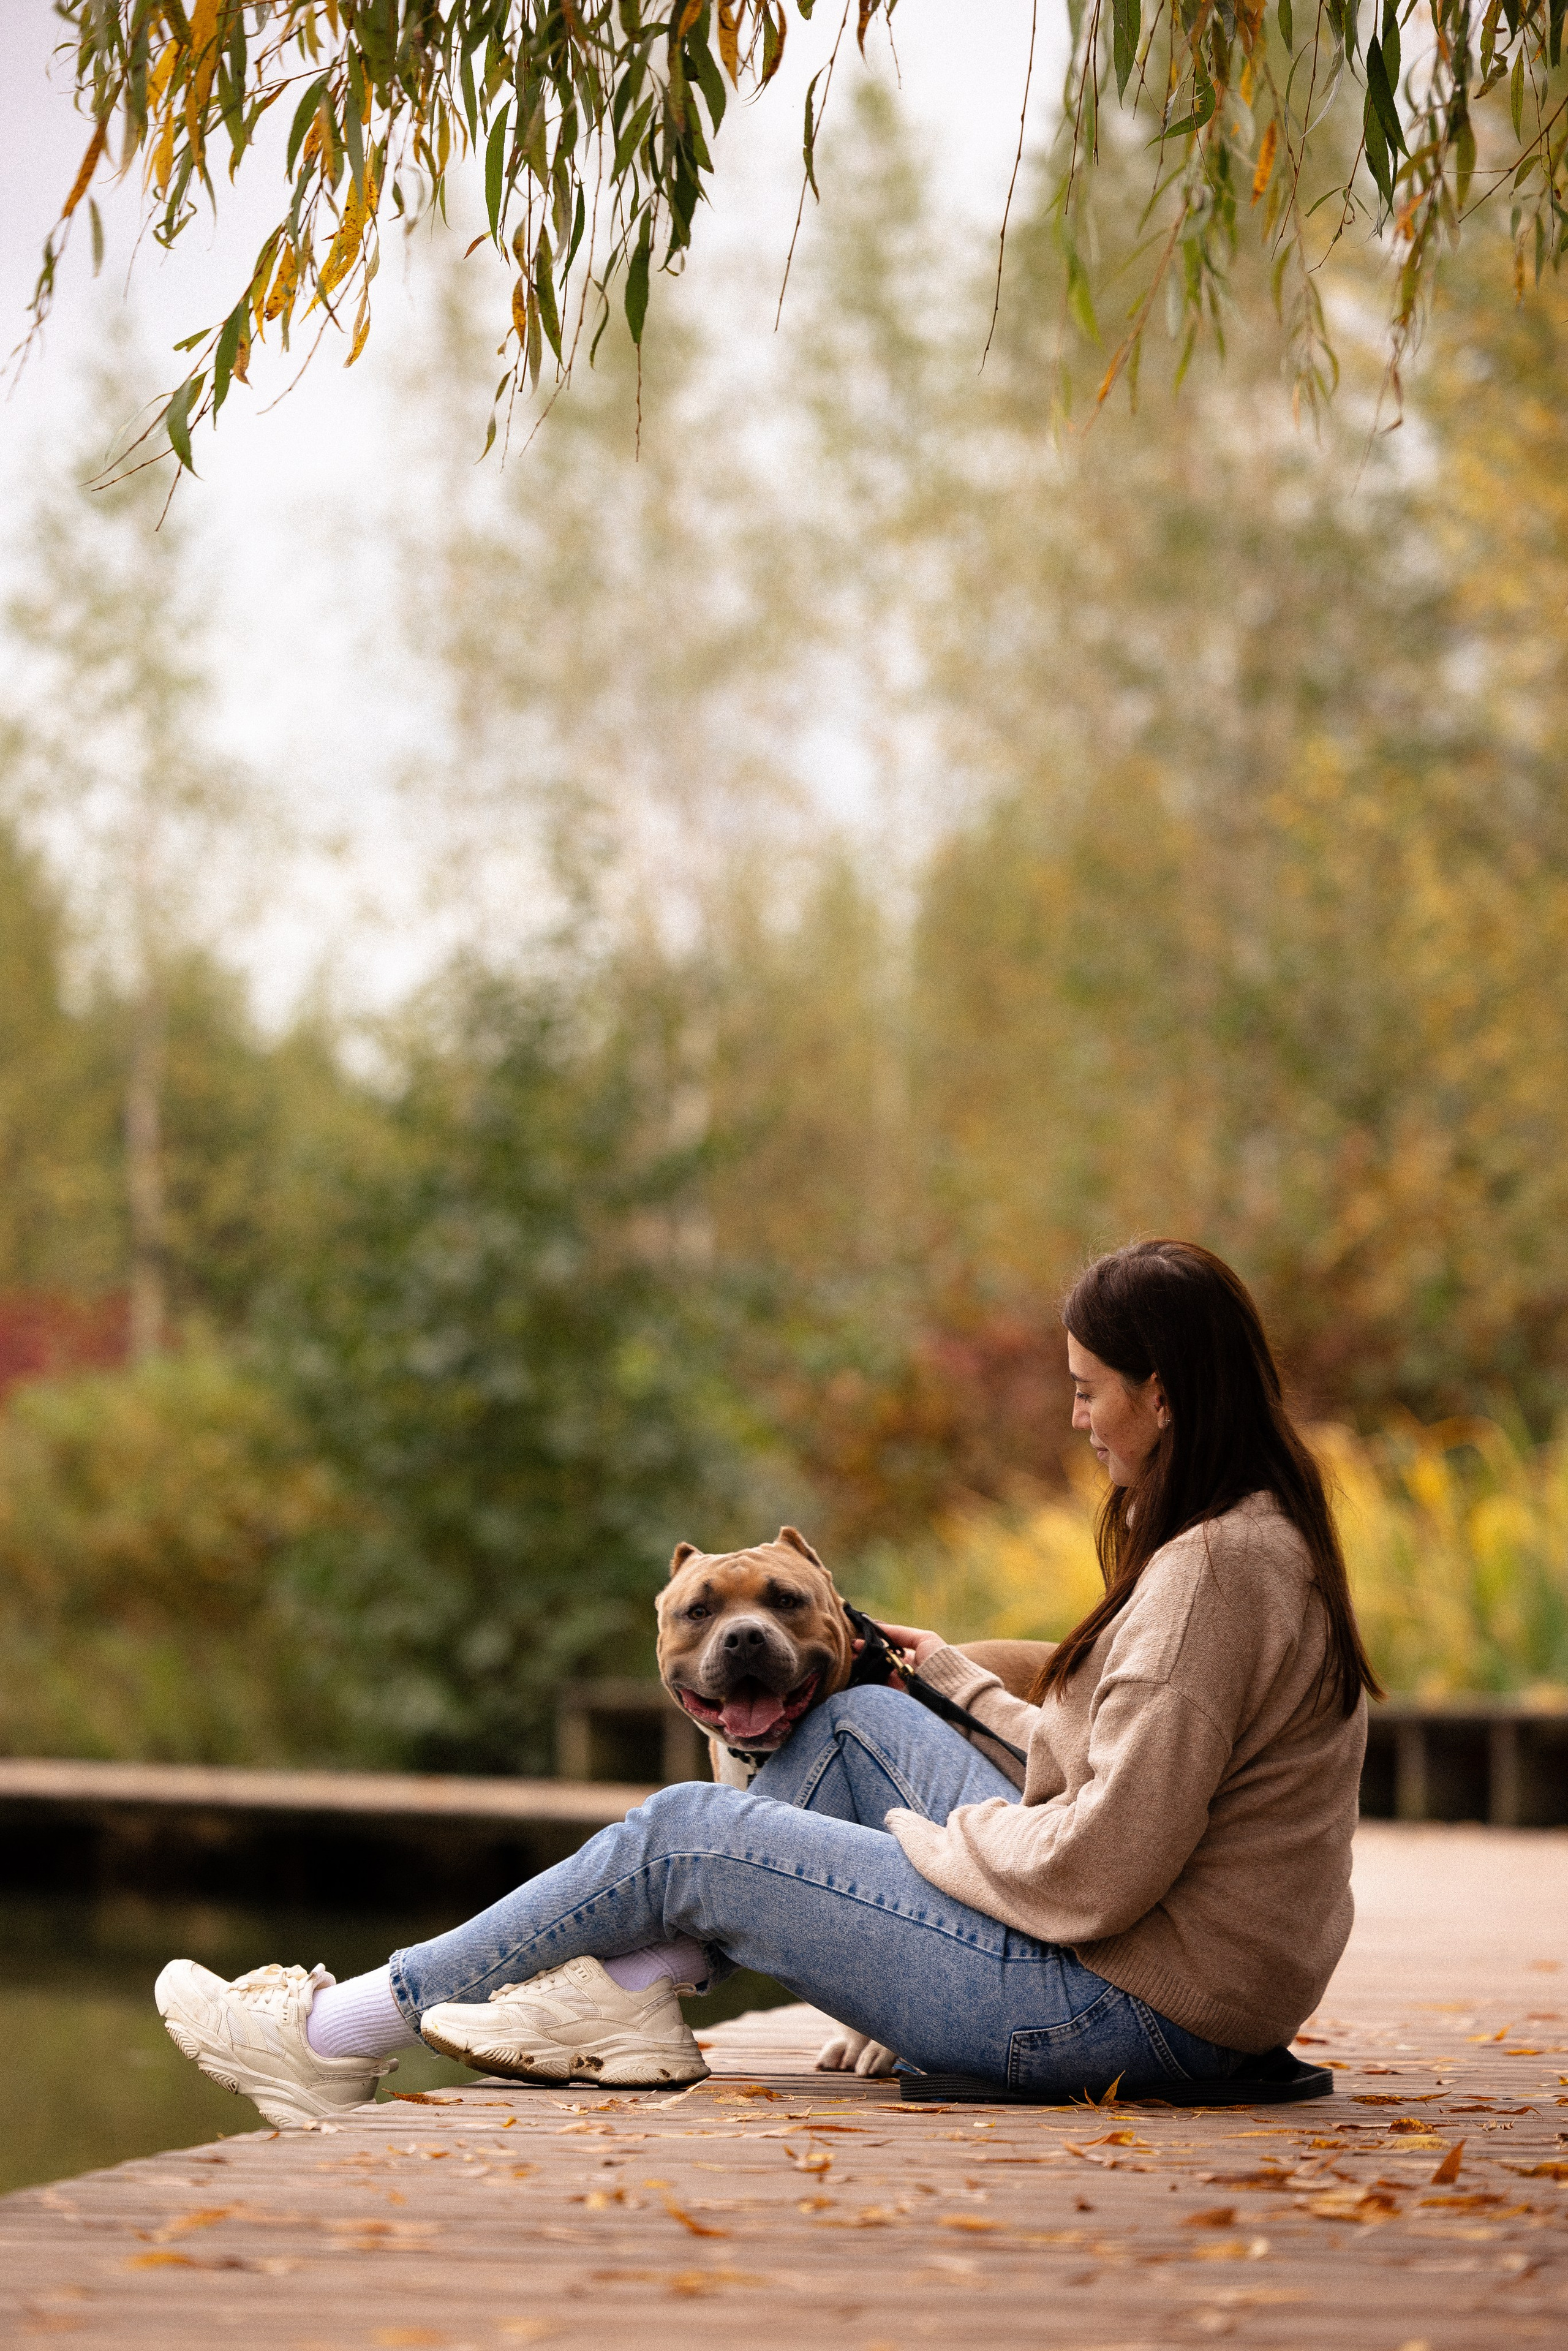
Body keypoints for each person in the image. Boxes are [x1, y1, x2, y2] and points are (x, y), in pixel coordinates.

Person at [156, 1238, 1379, 2126]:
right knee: (850, 1716)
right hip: (1193, 1991)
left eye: (1085, 1389)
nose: (1076, 1419)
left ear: (1157, 1393)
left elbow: (1101, 1864)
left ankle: (335, 2033)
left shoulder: (1207, 1575)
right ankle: (635, 1989)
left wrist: (922, 1842)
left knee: (692, 1828)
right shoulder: (1253, 1535)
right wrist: (938, 1671)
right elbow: (1104, 1765)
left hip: (1126, 2012)